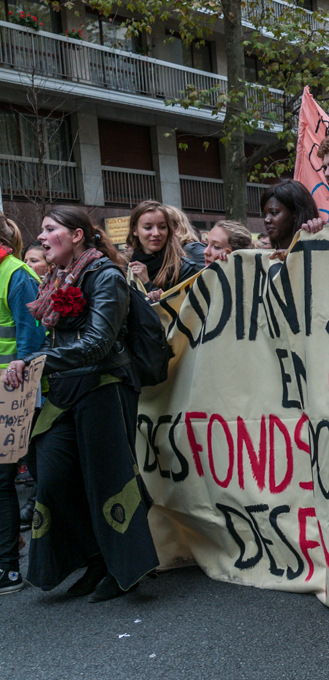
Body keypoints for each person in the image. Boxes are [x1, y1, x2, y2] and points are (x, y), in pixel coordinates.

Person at [5, 206, 159, 602]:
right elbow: (52, 339)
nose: (40, 237)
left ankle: (124, 570)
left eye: (49, 229)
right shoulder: (54, 278)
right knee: (51, 474)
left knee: (106, 478)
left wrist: (35, 362)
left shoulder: (106, 276)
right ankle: (92, 558)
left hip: (105, 385)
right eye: (41, 230)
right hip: (64, 390)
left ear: (76, 235)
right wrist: (27, 364)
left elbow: (98, 343)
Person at [0, 216, 45, 595]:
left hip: (14, 395)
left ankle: (10, 568)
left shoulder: (16, 274)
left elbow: (31, 336)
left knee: (6, 481)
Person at [126, 200, 202, 302]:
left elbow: (186, 313)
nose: (156, 233)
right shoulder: (124, 267)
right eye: (148, 227)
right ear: (135, 230)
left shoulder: (185, 269)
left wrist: (148, 284)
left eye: (162, 227)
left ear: (169, 230)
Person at [260, 179, 319, 250]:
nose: (266, 220)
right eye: (265, 214)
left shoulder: (320, 249)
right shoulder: (266, 256)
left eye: (274, 213)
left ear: (296, 214)